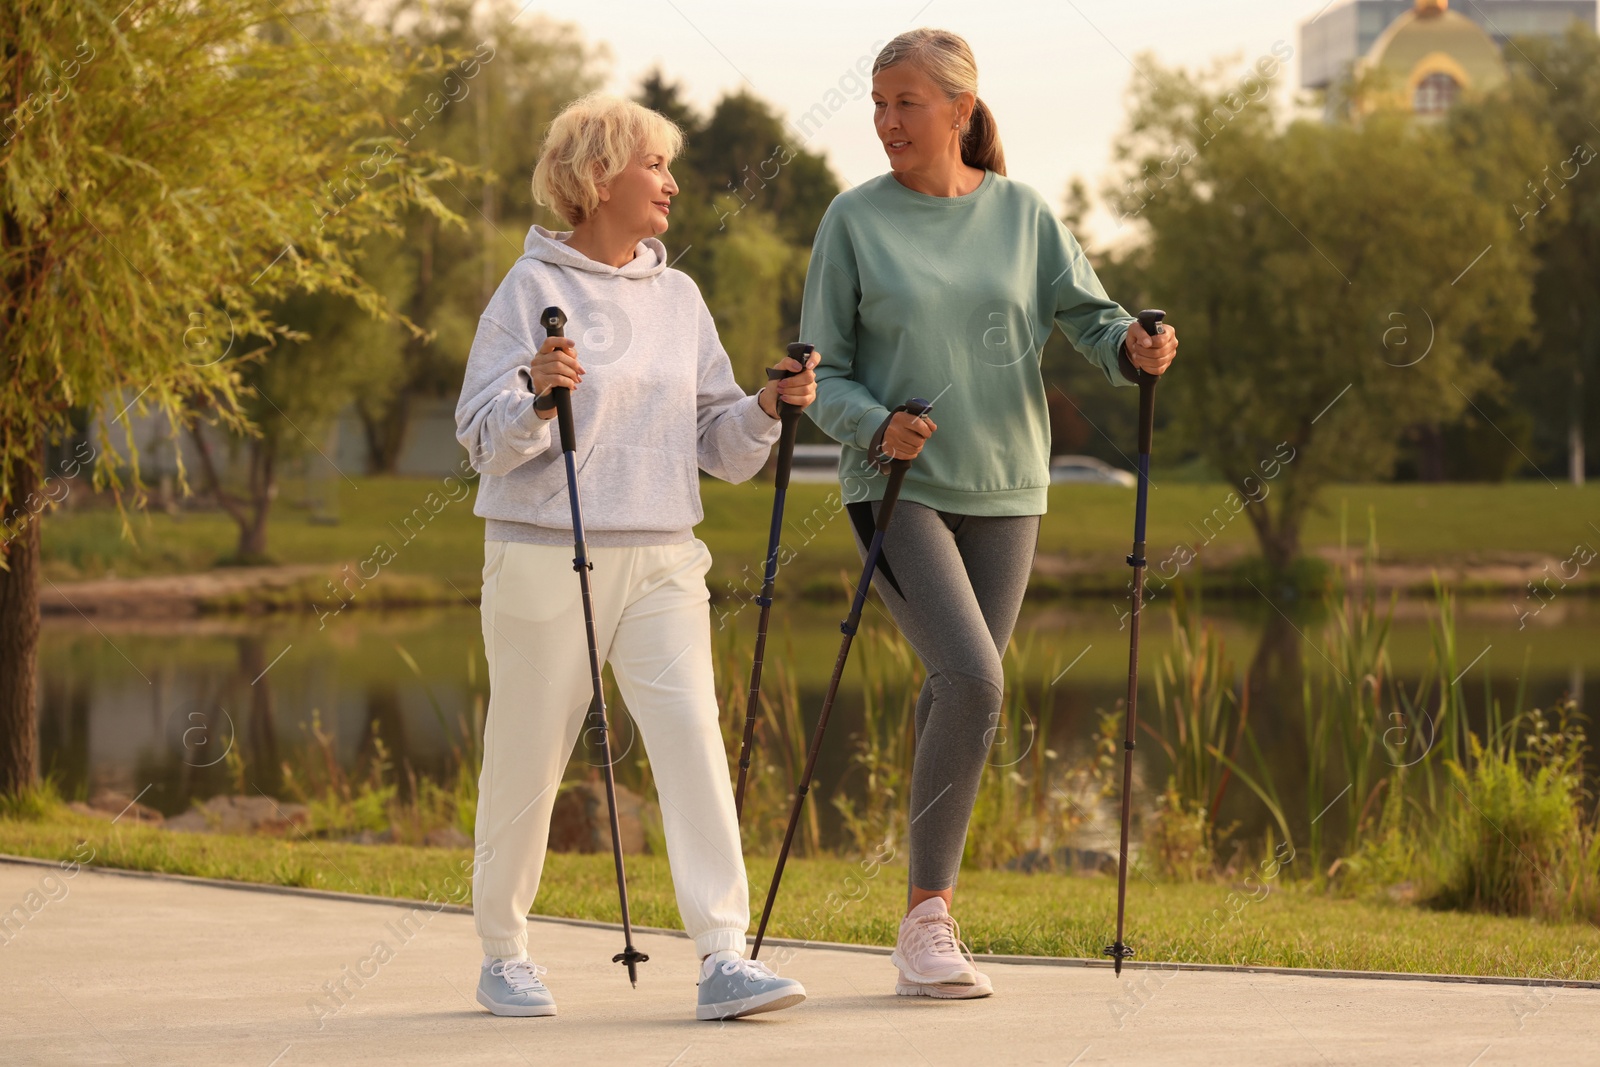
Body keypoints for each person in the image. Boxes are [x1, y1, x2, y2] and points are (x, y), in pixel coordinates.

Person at [800, 28, 1179, 1000]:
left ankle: (926, 912)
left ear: (960, 110)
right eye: (877, 104)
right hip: (894, 486)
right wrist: (874, 423)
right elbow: (820, 372)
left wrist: (1134, 346)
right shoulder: (853, 219)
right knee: (972, 676)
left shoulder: (1022, 214)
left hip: (1009, 485)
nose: (885, 122)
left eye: (905, 103)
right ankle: (928, 918)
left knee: (957, 689)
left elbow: (1090, 315)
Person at [455, 92, 817, 1022]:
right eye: (654, 165)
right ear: (597, 175)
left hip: (663, 554)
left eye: (669, 166)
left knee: (692, 739)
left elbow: (716, 440)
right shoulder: (525, 292)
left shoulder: (679, 297)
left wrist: (768, 409)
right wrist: (536, 399)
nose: (671, 182)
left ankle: (723, 955)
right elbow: (478, 440)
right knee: (526, 755)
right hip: (544, 554)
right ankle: (504, 952)